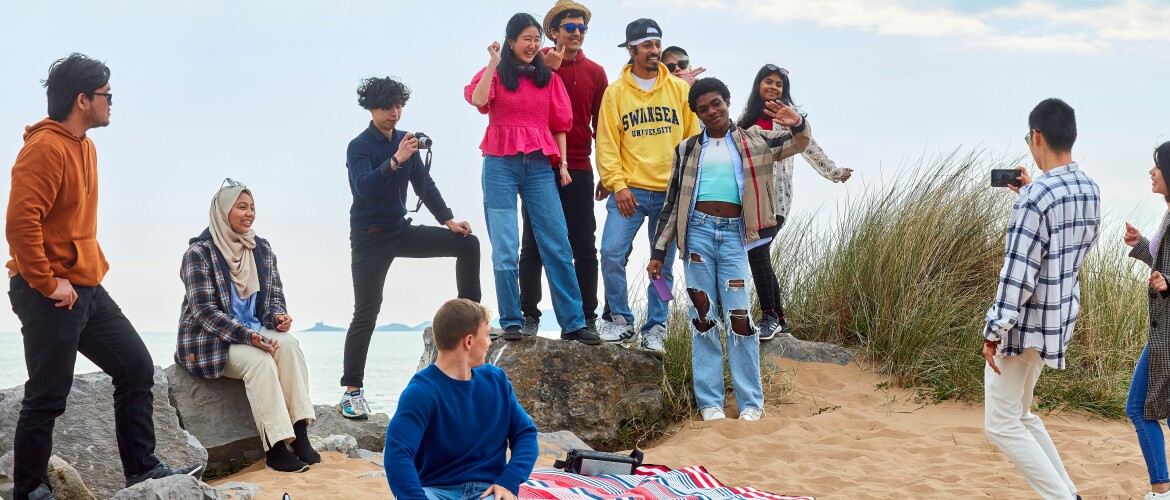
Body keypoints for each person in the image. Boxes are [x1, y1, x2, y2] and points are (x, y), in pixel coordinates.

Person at [5, 53, 203, 500]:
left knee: (135, 367)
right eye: (106, 95)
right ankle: (30, 490)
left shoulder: (85, 145)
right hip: (49, 293)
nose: (112, 102)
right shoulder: (44, 148)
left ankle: (142, 468)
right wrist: (46, 281)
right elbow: (20, 224)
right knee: (47, 395)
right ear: (82, 100)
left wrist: (75, 279)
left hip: (87, 286)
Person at [648, 78, 810, 421]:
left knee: (740, 318)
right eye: (703, 108)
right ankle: (710, 403)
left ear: (727, 101)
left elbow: (797, 143)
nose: (711, 112)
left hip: (736, 235)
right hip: (698, 235)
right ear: (697, 113)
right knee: (703, 319)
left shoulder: (755, 139)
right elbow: (672, 204)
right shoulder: (688, 149)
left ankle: (751, 402)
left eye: (716, 104)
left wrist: (797, 122)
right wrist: (658, 253)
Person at [338, 76, 481, 420]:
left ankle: (472, 324)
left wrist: (448, 220)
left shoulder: (406, 140)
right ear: (371, 108)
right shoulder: (359, 146)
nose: (395, 112)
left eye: (399, 105)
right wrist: (396, 160)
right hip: (369, 237)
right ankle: (351, 391)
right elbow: (365, 189)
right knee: (367, 310)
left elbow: (424, 185)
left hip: (400, 230)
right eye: (388, 106)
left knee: (468, 243)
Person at [982, 98, 1099, 500]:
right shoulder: (1089, 189)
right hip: (1058, 318)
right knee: (1021, 414)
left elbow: (1018, 274)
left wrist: (994, 330)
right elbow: (1065, 251)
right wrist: (1031, 190)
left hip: (1024, 326)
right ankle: (1069, 492)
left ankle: (1063, 498)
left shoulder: (1035, 199)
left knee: (1000, 424)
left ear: (1036, 137)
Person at [465, 12, 600, 345]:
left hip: (540, 166)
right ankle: (511, 320)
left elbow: (561, 124)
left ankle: (573, 321)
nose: (534, 45)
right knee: (506, 247)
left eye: (537, 39)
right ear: (511, 41)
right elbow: (479, 100)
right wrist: (494, 62)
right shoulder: (495, 73)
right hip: (499, 165)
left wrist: (564, 164)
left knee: (557, 242)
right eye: (527, 38)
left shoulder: (547, 77)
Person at [175, 180, 320, 473]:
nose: (249, 213)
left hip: (251, 331)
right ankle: (276, 448)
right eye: (242, 206)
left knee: (289, 344)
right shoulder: (198, 253)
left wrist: (278, 318)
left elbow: (273, 300)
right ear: (223, 210)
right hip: (211, 341)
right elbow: (206, 313)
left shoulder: (261, 249)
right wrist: (249, 336)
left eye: (252, 207)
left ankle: (300, 432)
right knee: (260, 362)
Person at [595, 18, 701, 354]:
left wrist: (685, 188)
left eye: (657, 44)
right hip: (630, 192)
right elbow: (607, 144)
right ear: (632, 50)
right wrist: (618, 184)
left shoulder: (680, 90)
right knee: (611, 253)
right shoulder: (615, 93)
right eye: (647, 46)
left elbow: (693, 140)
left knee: (663, 268)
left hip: (670, 195)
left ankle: (656, 326)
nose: (654, 51)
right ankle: (621, 321)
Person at [734, 64, 852, 339]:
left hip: (777, 201)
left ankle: (770, 316)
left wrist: (832, 172)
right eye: (768, 82)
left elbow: (808, 145)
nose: (773, 87)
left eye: (779, 84)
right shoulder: (745, 121)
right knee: (758, 254)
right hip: (751, 201)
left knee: (757, 251)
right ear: (758, 85)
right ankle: (780, 319)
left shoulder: (788, 119)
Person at [514, 0, 608, 337]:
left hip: (580, 166)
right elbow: (523, 106)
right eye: (570, 28)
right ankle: (529, 316)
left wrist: (606, 173)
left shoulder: (596, 72)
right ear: (553, 32)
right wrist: (547, 70)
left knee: (583, 243)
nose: (578, 34)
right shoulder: (533, 63)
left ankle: (586, 317)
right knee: (533, 243)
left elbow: (604, 127)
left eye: (582, 28)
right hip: (538, 164)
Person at [384, 298, 538, 500]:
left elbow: (526, 434)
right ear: (469, 341)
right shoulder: (421, 391)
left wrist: (508, 481)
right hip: (435, 492)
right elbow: (397, 453)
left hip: (488, 491)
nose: (490, 342)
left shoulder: (497, 381)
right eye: (487, 334)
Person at [1122, 141, 1170, 500]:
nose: (1151, 172)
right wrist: (1141, 245)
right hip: (1162, 331)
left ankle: (1160, 490)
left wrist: (1168, 285)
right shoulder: (1168, 214)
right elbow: (1163, 264)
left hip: (1166, 333)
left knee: (1139, 408)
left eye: (1157, 166)